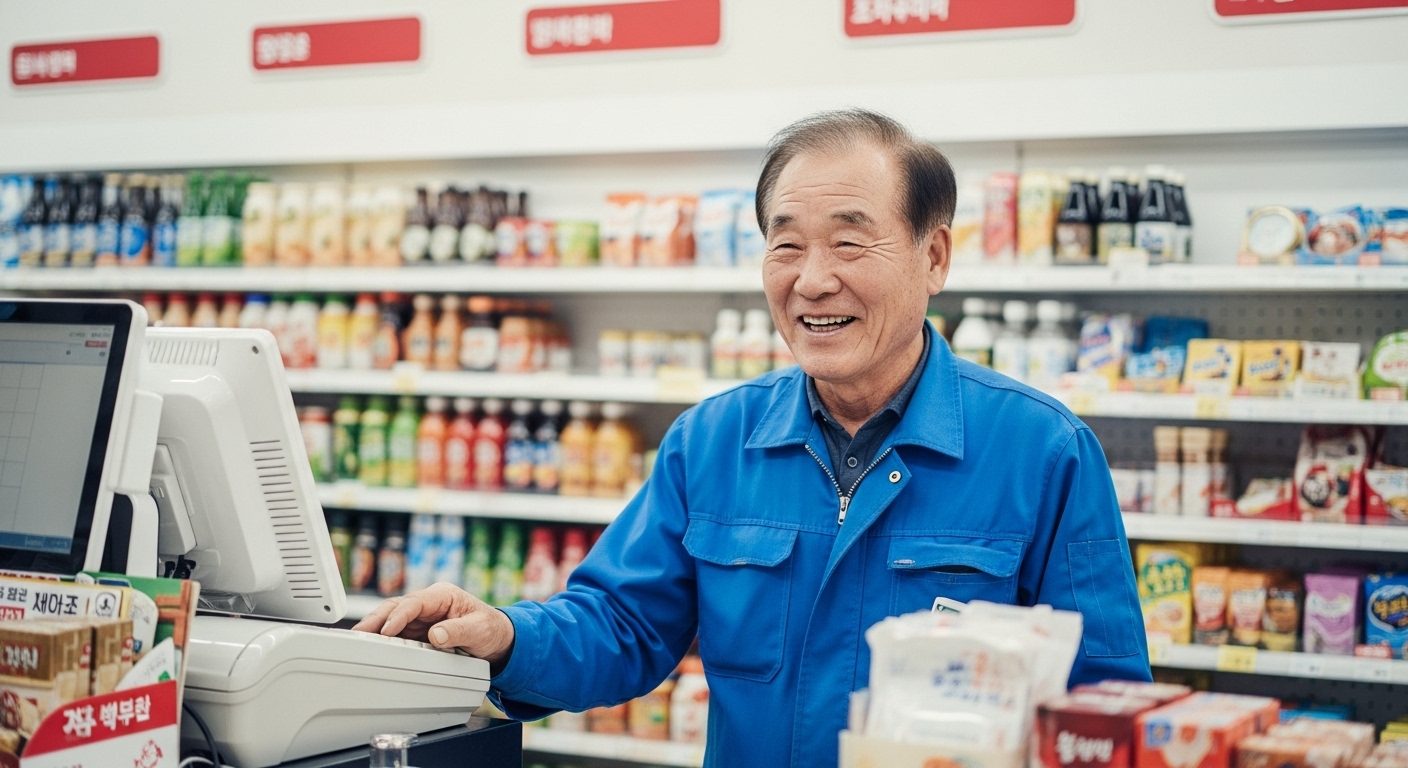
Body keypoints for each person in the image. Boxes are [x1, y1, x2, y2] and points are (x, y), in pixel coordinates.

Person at [355, 109, 1150, 767]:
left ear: (932, 255)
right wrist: (505, 637)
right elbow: (621, 623)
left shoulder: (1044, 451)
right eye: (786, 242)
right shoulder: (713, 441)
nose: (811, 279)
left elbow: (1105, 703)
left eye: (849, 241)